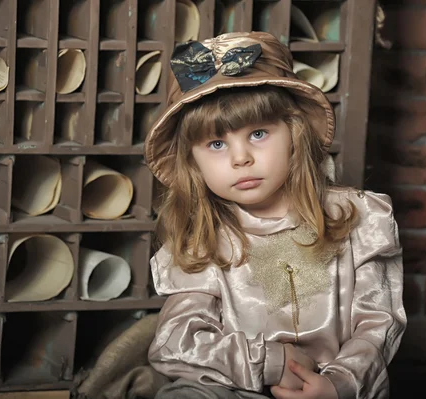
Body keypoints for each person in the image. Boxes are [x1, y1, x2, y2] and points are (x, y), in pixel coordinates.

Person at [144, 31, 406, 399]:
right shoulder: (203, 235)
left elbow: (378, 325)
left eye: (258, 133)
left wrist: (339, 383)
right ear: (193, 163)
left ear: (294, 134)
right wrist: (269, 363)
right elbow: (175, 340)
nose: (240, 159)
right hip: (237, 386)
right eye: (217, 144)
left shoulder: (359, 216)